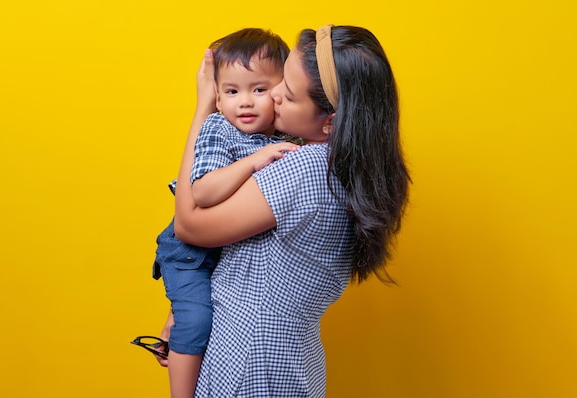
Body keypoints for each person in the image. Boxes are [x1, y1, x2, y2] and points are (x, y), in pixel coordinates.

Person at [161, 24, 410, 397]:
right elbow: (242, 259)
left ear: (330, 121)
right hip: (293, 361)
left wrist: (203, 111)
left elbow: (189, 225)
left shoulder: (305, 169)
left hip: (248, 364)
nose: (272, 94)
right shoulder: (347, 169)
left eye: (289, 95)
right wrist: (184, 308)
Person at [150, 28, 294, 398]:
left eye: (258, 89)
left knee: (192, 317)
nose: (244, 102)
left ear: (282, 90)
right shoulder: (219, 128)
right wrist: (254, 160)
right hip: (190, 254)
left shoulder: (284, 135)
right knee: (195, 322)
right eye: (232, 91)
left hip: (223, 250)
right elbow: (202, 191)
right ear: (216, 94)